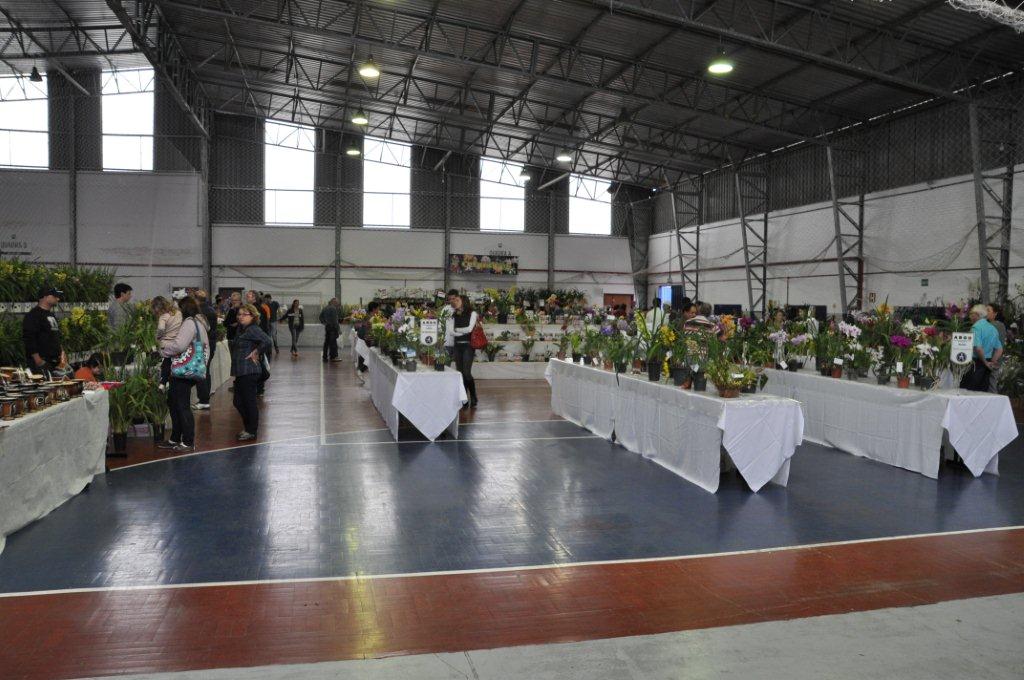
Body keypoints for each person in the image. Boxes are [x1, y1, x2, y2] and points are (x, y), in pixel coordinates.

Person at [158, 295, 210, 452]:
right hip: (190, 369)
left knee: (181, 406)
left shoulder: (189, 323)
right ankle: (175, 438)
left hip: (183, 372)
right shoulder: (199, 323)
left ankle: (187, 441)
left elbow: (179, 346)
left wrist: (163, 349)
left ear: (184, 309)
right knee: (175, 403)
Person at [231, 303, 272, 441]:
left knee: (248, 402)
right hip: (241, 371)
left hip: (249, 370)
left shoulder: (253, 329)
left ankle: (251, 430)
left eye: (245, 314)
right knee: (238, 401)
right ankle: (248, 428)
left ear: (253, 316)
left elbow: (267, 341)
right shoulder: (242, 329)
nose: (241, 317)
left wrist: (257, 351)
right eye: (239, 314)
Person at [960, 303, 1003, 393]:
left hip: (975, 363)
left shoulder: (976, 328)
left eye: (971, 314)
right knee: (982, 393)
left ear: (977, 315)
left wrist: (985, 362)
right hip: (987, 364)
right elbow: (999, 349)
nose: (970, 316)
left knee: (968, 392)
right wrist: (992, 362)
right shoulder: (993, 328)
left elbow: (978, 348)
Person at [22, 286, 65, 373]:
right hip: (42, 363)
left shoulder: (51, 315)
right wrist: (39, 361)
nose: (58, 298)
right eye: (55, 296)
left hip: (55, 363)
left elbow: (56, 336)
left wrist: (62, 353)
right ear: (45, 296)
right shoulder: (33, 315)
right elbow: (29, 339)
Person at [450, 294, 479, 408]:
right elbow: (451, 332)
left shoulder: (473, 313)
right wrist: (461, 332)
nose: (455, 302)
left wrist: (457, 330)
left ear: (464, 302)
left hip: (468, 346)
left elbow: (470, 329)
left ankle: (473, 396)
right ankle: (464, 399)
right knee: (460, 373)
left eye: (457, 300)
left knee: (467, 373)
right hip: (457, 346)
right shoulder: (454, 314)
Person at [193, 289, 219, 411]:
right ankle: (205, 398)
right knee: (205, 371)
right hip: (210, 343)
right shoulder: (211, 309)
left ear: (196, 299)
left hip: (203, 344)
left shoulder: (199, 312)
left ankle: (203, 400)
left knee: (201, 372)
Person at [152, 296, 182, 389]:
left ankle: (163, 382)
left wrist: (157, 336)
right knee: (173, 363)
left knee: (167, 361)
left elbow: (161, 328)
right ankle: (167, 383)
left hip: (166, 344)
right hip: (178, 342)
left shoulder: (163, 316)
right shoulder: (178, 313)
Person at [320, 297, 342, 363]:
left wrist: (324, 322)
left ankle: (324, 356)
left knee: (326, 342)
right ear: (333, 302)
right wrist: (338, 329)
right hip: (333, 328)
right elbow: (335, 321)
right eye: (337, 302)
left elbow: (320, 317)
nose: (337, 304)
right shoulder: (333, 308)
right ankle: (333, 357)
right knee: (333, 343)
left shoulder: (325, 308)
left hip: (327, 327)